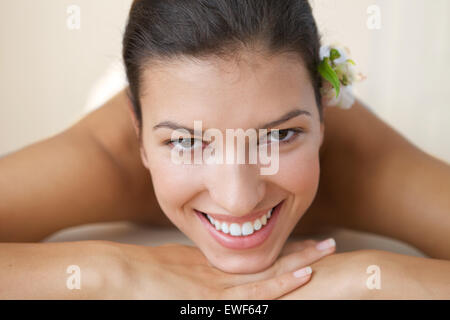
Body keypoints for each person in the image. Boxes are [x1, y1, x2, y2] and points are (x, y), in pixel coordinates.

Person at [0, 0, 449, 299]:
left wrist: (362, 279)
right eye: (187, 142)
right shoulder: (103, 159)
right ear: (137, 134)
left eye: (278, 136)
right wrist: (117, 271)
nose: (238, 198)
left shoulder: (364, 164)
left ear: (324, 114)